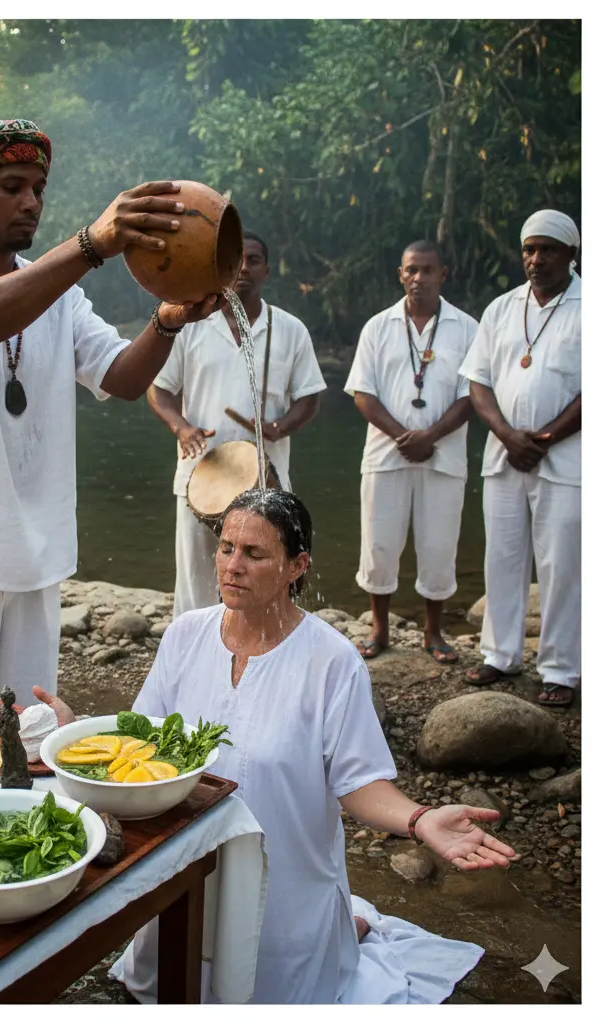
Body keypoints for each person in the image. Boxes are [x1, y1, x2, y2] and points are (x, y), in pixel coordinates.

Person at [110, 488, 517, 1004]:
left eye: (254, 554)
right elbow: (139, 740)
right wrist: (73, 731)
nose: (232, 566)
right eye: (226, 547)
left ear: (296, 566)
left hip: (284, 880)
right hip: (187, 864)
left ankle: (341, 929)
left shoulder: (332, 661)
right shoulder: (186, 635)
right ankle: (346, 926)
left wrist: (419, 819)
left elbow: (359, 781)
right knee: (168, 986)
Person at [0, 118, 219, 708]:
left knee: (27, 732)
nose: (31, 202)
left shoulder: (62, 295)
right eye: (11, 187)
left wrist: (166, 322)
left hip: (34, 557)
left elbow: (122, 377)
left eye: (38, 189)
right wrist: (89, 246)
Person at [147, 232, 326, 616]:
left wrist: (281, 426)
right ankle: (194, 649)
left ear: (267, 270)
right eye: (236, 260)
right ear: (221, 266)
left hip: (265, 479)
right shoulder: (190, 324)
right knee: (196, 584)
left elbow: (310, 397)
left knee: (264, 581)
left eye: (254, 260)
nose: (244, 268)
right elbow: (159, 390)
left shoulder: (290, 328)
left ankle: (259, 646)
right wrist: (181, 428)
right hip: (201, 477)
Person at [459, 210, 581, 707]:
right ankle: (500, 654)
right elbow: (478, 381)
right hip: (505, 456)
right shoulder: (502, 308)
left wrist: (546, 438)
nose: (536, 259)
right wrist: (508, 435)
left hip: (568, 460)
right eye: (529, 249)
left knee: (562, 565)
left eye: (547, 249)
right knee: (503, 557)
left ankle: (561, 669)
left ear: (571, 254)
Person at [344, 241, 478, 663]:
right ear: (400, 275)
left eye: (427, 269)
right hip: (386, 455)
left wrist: (430, 436)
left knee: (439, 546)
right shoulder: (378, 327)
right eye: (411, 270)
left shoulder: (466, 328)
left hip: (444, 456)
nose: (419, 278)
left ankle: (433, 632)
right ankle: (379, 629)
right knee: (379, 544)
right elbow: (363, 394)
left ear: (444, 273)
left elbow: (472, 394)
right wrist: (404, 436)